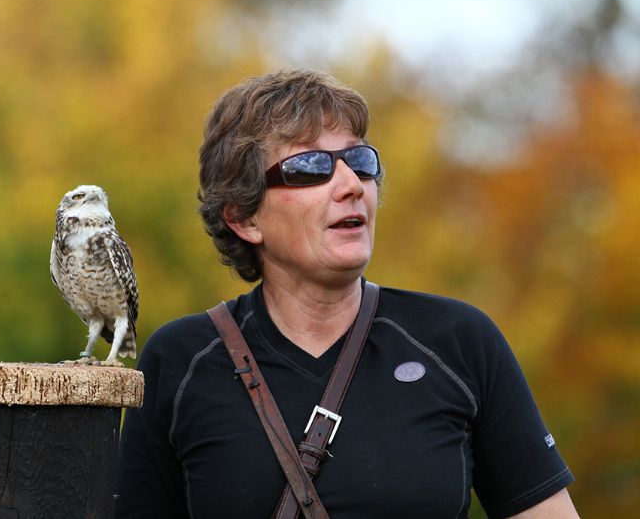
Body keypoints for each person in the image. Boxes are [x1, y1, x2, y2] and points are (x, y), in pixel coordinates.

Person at [116, 69, 578, 518]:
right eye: (311, 167)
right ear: (244, 217)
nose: (352, 185)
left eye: (360, 162)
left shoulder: (459, 342)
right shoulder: (180, 362)